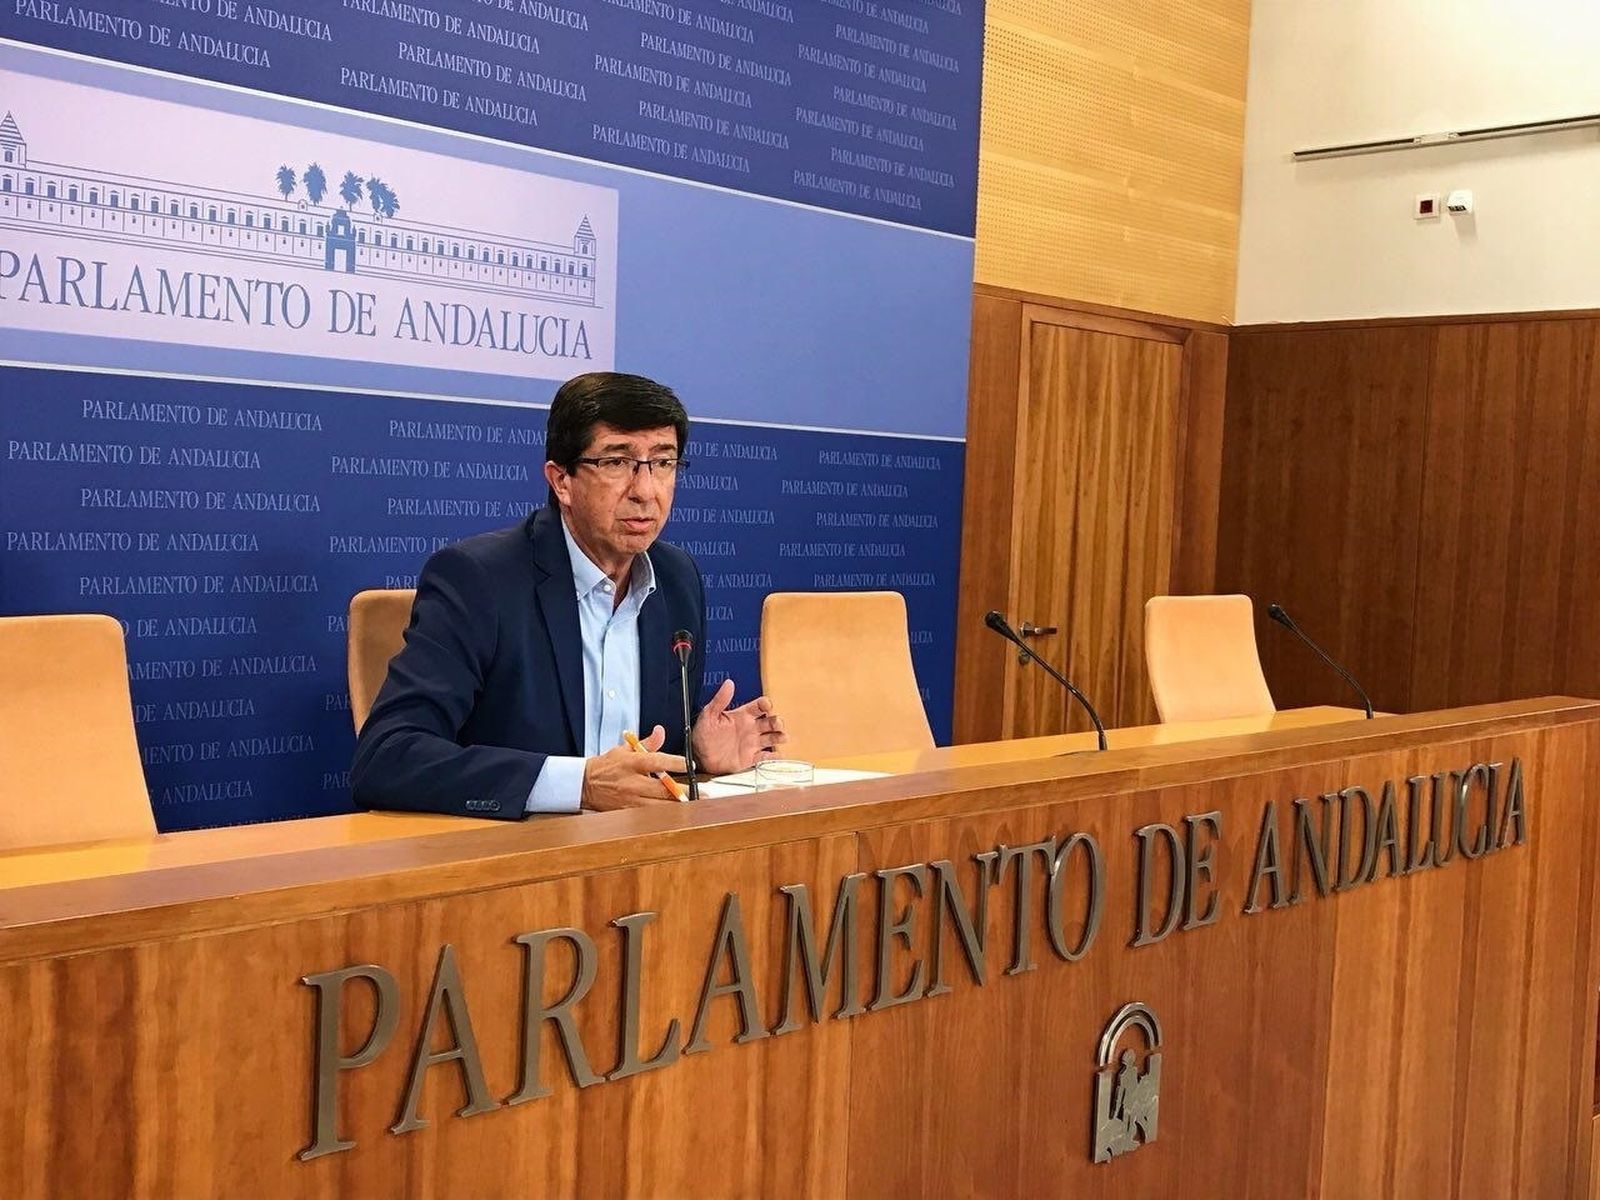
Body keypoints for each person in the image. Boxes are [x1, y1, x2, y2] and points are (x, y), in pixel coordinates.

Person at [352, 371, 785, 817]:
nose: (645, 491)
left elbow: (644, 753)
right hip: (522, 849)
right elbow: (387, 757)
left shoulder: (677, 578)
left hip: (642, 847)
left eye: (663, 463)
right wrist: (579, 785)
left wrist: (695, 752)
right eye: (616, 462)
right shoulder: (479, 579)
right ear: (561, 481)